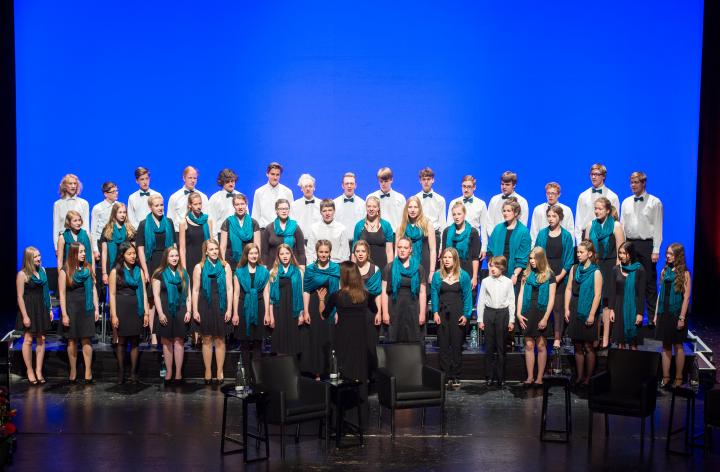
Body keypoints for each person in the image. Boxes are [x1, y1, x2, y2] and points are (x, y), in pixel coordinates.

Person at [320, 261, 374, 428]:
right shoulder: (366, 295)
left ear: (343, 276)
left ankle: (340, 421)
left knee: (342, 378)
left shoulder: (336, 296)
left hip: (342, 342)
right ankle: (360, 421)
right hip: (360, 343)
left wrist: (321, 299)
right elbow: (375, 310)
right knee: (360, 377)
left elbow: (324, 315)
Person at [620, 171, 663, 319]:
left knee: (649, 281)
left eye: (636, 182)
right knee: (630, 280)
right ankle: (631, 315)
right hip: (630, 244)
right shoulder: (626, 202)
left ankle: (652, 318)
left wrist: (656, 249)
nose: (633, 185)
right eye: (631, 182)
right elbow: (623, 225)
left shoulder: (654, 202)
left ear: (643, 183)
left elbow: (658, 227)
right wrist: (623, 247)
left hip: (646, 244)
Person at [585, 197, 625, 349]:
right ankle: (594, 336)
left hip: (610, 268)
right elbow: (587, 248)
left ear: (608, 210)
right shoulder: (590, 225)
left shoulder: (616, 226)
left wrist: (617, 272)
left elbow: (620, 252)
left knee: (607, 304)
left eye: (600, 208)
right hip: (595, 267)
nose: (597, 211)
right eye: (595, 208)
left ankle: (606, 338)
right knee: (594, 301)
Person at [430, 248, 472, 388]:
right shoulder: (437, 276)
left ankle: (456, 376)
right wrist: (435, 312)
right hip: (442, 313)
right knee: (443, 346)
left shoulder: (463, 275)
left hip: (457, 313)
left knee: (456, 346)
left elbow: (467, 296)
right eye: (444, 257)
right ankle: (445, 375)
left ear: (455, 259)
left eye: (450, 257)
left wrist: (466, 315)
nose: (447, 260)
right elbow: (435, 294)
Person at [192, 240, 232, 384]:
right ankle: (208, 370)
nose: (215, 251)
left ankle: (219, 371)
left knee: (220, 339)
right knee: (207, 338)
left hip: (221, 305)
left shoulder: (225, 266)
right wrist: (195, 309)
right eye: (211, 249)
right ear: (206, 251)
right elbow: (195, 290)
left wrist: (230, 309)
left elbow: (229, 289)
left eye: (216, 249)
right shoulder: (199, 267)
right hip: (205, 305)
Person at [59, 242, 100, 383]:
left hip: (86, 307)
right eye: (81, 252)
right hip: (72, 308)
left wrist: (96, 307)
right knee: (72, 341)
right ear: (74, 254)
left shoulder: (88, 268)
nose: (84, 254)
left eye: (84, 251)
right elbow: (62, 294)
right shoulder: (65, 270)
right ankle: (73, 370)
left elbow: (94, 289)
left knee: (86, 339)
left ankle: (88, 371)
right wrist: (64, 314)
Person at [534, 205, 575, 349]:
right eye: (549, 216)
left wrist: (560, 276)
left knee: (558, 307)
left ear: (560, 218)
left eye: (554, 216)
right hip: (544, 272)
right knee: (542, 304)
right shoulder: (542, 234)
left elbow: (569, 258)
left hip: (559, 274)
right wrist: (543, 273)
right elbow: (537, 254)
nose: (551, 219)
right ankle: (540, 333)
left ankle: (558, 337)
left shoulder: (566, 236)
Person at [136, 195, 175, 343]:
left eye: (161, 205)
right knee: (152, 300)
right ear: (150, 207)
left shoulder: (169, 222)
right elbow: (140, 249)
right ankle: (153, 335)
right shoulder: (143, 224)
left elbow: (174, 246)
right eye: (157, 205)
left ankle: (168, 332)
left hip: (167, 263)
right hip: (151, 263)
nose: (160, 208)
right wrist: (145, 270)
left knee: (168, 296)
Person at [108, 242, 149, 384]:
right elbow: (112, 295)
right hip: (121, 308)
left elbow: (143, 292)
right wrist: (113, 315)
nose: (133, 256)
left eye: (134, 253)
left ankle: (133, 373)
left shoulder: (139, 271)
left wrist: (146, 313)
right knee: (121, 342)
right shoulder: (115, 272)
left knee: (135, 342)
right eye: (129, 254)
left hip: (136, 308)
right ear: (122, 255)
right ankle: (121, 372)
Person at [564, 240, 602, 387]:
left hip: (587, 310)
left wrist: (592, 315)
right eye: (577, 252)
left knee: (588, 346)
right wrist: (567, 308)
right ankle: (579, 376)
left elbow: (597, 295)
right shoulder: (574, 269)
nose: (578, 255)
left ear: (590, 254)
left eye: (581, 252)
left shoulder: (596, 272)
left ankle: (588, 377)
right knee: (577, 345)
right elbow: (568, 289)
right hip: (575, 308)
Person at [517, 247, 556, 386]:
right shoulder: (526, 273)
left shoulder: (550, 275)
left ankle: (539, 377)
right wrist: (518, 313)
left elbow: (551, 299)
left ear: (541, 259)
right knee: (528, 344)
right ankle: (530, 377)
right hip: (527, 310)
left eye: (535, 258)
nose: (532, 261)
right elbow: (521, 294)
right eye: (530, 258)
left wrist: (545, 318)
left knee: (540, 345)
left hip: (541, 311)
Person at [654, 243, 692, 389]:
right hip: (664, 312)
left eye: (671, 254)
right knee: (665, 346)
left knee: (678, 346)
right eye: (667, 253)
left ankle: (679, 377)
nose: (668, 256)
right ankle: (665, 377)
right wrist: (657, 313)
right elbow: (660, 294)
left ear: (678, 256)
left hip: (677, 313)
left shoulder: (685, 274)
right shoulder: (664, 270)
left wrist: (682, 317)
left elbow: (686, 297)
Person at [152, 247, 191, 385]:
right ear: (166, 258)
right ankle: (169, 372)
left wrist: (189, 310)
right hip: (166, 311)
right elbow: (156, 295)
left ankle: (179, 373)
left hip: (181, 310)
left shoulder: (183, 273)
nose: (174, 258)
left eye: (176, 256)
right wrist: (160, 313)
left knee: (179, 342)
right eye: (171, 256)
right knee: (167, 342)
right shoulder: (159, 274)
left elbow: (188, 294)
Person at [302, 240, 341, 378]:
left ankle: (330, 370)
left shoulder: (336, 268)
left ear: (330, 252)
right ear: (317, 252)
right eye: (321, 252)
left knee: (329, 337)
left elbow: (337, 291)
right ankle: (317, 372)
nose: (323, 255)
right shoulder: (310, 269)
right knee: (316, 338)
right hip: (313, 305)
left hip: (330, 305)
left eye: (326, 252)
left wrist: (336, 311)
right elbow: (306, 290)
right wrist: (306, 311)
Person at [15, 247, 53, 385]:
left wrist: (49, 309)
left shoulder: (42, 271)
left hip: (41, 308)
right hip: (29, 308)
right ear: (29, 259)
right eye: (35, 256)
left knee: (41, 338)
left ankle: (38, 371)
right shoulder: (22, 274)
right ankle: (29, 371)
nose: (39, 258)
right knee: (28, 340)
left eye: (39, 255)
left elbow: (46, 292)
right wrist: (25, 316)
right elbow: (19, 297)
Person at [477, 256, 515, 387]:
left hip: (502, 314)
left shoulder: (508, 282)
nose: (493, 268)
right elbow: (481, 300)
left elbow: (511, 301)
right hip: (489, 313)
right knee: (489, 347)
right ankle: (489, 377)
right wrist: (480, 319)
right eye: (491, 266)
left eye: (496, 266)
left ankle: (501, 377)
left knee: (501, 348)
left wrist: (511, 320)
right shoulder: (486, 281)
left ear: (502, 268)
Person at [232, 243, 270, 372]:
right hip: (244, 307)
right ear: (246, 255)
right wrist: (235, 313)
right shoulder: (239, 272)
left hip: (259, 307)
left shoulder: (264, 272)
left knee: (258, 344)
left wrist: (267, 313)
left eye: (256, 253)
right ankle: (246, 376)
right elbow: (236, 293)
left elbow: (266, 293)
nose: (254, 256)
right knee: (244, 344)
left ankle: (257, 376)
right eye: (251, 253)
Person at [381, 237, 427, 343]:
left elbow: (422, 292)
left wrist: (422, 313)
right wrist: (385, 313)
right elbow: (384, 292)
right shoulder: (389, 267)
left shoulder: (419, 268)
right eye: (399, 247)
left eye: (405, 247)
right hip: (395, 310)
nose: (402, 250)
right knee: (394, 343)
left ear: (410, 249)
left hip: (413, 310)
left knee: (413, 343)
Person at [267, 244, 305, 358]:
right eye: (282, 253)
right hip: (279, 310)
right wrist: (271, 315)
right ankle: (281, 372)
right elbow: (270, 297)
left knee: (293, 342)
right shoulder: (273, 272)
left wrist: (301, 314)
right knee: (280, 341)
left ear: (291, 255)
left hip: (293, 310)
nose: (285, 256)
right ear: (278, 256)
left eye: (287, 253)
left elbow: (301, 293)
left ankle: (292, 373)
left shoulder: (299, 271)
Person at [487, 199, 532, 292]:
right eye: (504, 211)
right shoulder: (498, 228)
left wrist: (515, 274)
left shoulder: (523, 231)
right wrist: (491, 268)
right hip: (496, 270)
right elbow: (490, 250)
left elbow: (523, 257)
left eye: (508, 211)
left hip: (513, 272)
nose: (505, 213)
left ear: (515, 213)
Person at [608, 242, 646, 349]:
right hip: (619, 307)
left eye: (624, 253)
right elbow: (613, 291)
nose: (621, 256)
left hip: (633, 307)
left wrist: (640, 313)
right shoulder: (616, 269)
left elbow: (642, 294)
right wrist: (611, 309)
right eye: (619, 253)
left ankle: (632, 365)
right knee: (621, 341)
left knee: (633, 342)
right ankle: (622, 364)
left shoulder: (639, 269)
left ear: (630, 254)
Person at [447, 175, 490, 260]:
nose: (466, 190)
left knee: (473, 270)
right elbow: (449, 225)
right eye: (464, 186)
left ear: (474, 187)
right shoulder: (454, 202)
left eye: (469, 187)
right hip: (456, 240)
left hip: (474, 241)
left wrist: (484, 247)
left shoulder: (481, 204)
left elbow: (484, 227)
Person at [575, 163, 620, 243]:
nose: (593, 177)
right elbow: (579, 221)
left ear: (603, 176)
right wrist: (579, 242)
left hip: (606, 236)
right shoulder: (583, 196)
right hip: (587, 236)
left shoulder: (612, 196)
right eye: (591, 174)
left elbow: (615, 220)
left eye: (596, 174)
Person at [442, 202, 481, 294]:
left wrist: (474, 277)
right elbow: (444, 256)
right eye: (454, 214)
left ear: (464, 214)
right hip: (449, 272)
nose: (456, 217)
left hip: (467, 270)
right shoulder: (447, 232)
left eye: (459, 214)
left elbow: (475, 258)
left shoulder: (473, 232)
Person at [353, 240, 382, 362]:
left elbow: (377, 294)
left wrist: (378, 312)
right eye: (358, 251)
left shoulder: (375, 269)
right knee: (355, 343)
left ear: (368, 253)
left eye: (363, 251)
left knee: (370, 343)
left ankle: (371, 375)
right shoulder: (350, 269)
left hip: (370, 310)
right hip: (353, 311)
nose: (360, 254)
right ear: (354, 253)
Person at [397, 196, 436, 281]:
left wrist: (432, 271)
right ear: (406, 209)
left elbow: (433, 249)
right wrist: (394, 269)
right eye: (410, 207)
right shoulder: (401, 226)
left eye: (415, 207)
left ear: (420, 209)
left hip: (424, 263)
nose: (412, 210)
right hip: (405, 263)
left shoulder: (427, 224)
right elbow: (397, 251)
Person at [261, 199, 307, 267]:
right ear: (276, 210)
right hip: (273, 268)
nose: (284, 211)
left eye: (286, 208)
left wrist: (302, 269)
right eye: (281, 209)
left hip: (292, 268)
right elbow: (264, 253)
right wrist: (264, 269)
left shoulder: (295, 227)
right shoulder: (269, 228)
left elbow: (301, 252)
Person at [220, 193, 261, 268]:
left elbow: (257, 246)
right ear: (234, 206)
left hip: (250, 263)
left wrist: (258, 263)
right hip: (231, 262)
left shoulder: (254, 223)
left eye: (242, 204)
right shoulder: (227, 222)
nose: (240, 207)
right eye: (237, 204)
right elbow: (223, 247)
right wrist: (223, 263)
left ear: (246, 205)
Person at [353, 196, 395, 269]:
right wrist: (353, 270)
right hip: (363, 267)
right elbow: (354, 252)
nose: (371, 209)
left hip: (382, 266)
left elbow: (389, 251)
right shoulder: (359, 225)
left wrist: (389, 269)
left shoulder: (386, 225)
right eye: (369, 206)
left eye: (374, 206)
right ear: (366, 207)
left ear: (378, 208)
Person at [179, 192, 214, 279]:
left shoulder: (207, 220)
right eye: (195, 204)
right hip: (191, 259)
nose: (198, 206)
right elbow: (182, 248)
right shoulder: (183, 222)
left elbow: (211, 243)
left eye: (200, 203)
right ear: (190, 205)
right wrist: (183, 268)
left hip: (205, 258)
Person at [100, 203, 135, 286]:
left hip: (127, 267)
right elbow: (104, 253)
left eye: (124, 212)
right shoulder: (107, 230)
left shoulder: (130, 230)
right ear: (114, 213)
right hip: (111, 266)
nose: (122, 215)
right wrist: (104, 273)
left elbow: (134, 252)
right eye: (120, 212)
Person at [251, 162, 294, 229]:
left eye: (277, 175)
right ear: (267, 174)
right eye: (272, 174)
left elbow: (291, 214)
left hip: (283, 231)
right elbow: (255, 215)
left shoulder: (287, 192)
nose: (275, 177)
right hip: (264, 231)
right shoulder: (259, 192)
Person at [167, 166, 209, 232]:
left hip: (198, 233)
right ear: (184, 178)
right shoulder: (175, 197)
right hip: (179, 232)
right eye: (190, 178)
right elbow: (170, 220)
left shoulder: (203, 197)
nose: (193, 181)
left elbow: (206, 217)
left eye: (195, 178)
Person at [53, 173, 90, 249]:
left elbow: (86, 225)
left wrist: (86, 244)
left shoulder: (84, 203)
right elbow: (56, 227)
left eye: (75, 183)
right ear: (64, 186)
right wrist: (57, 247)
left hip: (80, 241)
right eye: (70, 184)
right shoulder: (58, 204)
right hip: (64, 242)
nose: (73, 186)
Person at [333, 172, 366, 251]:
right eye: (347, 183)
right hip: (339, 244)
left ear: (355, 185)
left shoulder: (363, 204)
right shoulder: (334, 203)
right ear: (342, 185)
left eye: (351, 183)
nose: (349, 186)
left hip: (357, 244)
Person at [415, 167, 446, 247]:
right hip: (419, 235)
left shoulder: (440, 199)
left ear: (433, 180)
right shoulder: (416, 199)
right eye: (423, 179)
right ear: (420, 181)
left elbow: (442, 223)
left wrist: (442, 246)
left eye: (428, 179)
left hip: (435, 235)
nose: (426, 182)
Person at [90, 181, 120, 261]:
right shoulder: (97, 208)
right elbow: (93, 231)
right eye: (113, 192)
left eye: (117, 190)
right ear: (106, 194)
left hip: (117, 241)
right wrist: (95, 249)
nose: (116, 193)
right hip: (103, 242)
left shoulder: (119, 206)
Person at [207, 168, 240, 239]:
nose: (231, 184)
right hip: (221, 235)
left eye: (233, 181)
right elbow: (212, 220)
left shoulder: (240, 196)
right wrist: (214, 240)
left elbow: (246, 217)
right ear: (222, 182)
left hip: (239, 235)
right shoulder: (215, 198)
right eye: (228, 181)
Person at [290, 173, 322, 244]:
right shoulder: (294, 205)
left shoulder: (321, 204)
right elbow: (293, 225)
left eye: (310, 186)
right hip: (300, 241)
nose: (308, 189)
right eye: (305, 186)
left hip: (318, 241)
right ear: (301, 188)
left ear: (314, 187)